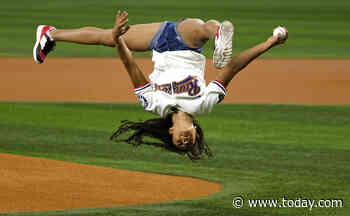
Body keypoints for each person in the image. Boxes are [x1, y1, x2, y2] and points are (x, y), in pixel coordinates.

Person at [33, 11, 288, 160]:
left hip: (160, 42)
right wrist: (269, 42)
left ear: (171, 134)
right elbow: (232, 68)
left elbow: (131, 67)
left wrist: (117, 38)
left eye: (179, 143)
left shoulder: (153, 104)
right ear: (196, 132)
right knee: (201, 29)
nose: (185, 141)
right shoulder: (205, 104)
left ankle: (50, 33)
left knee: (105, 37)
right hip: (187, 44)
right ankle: (218, 33)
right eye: (190, 142)